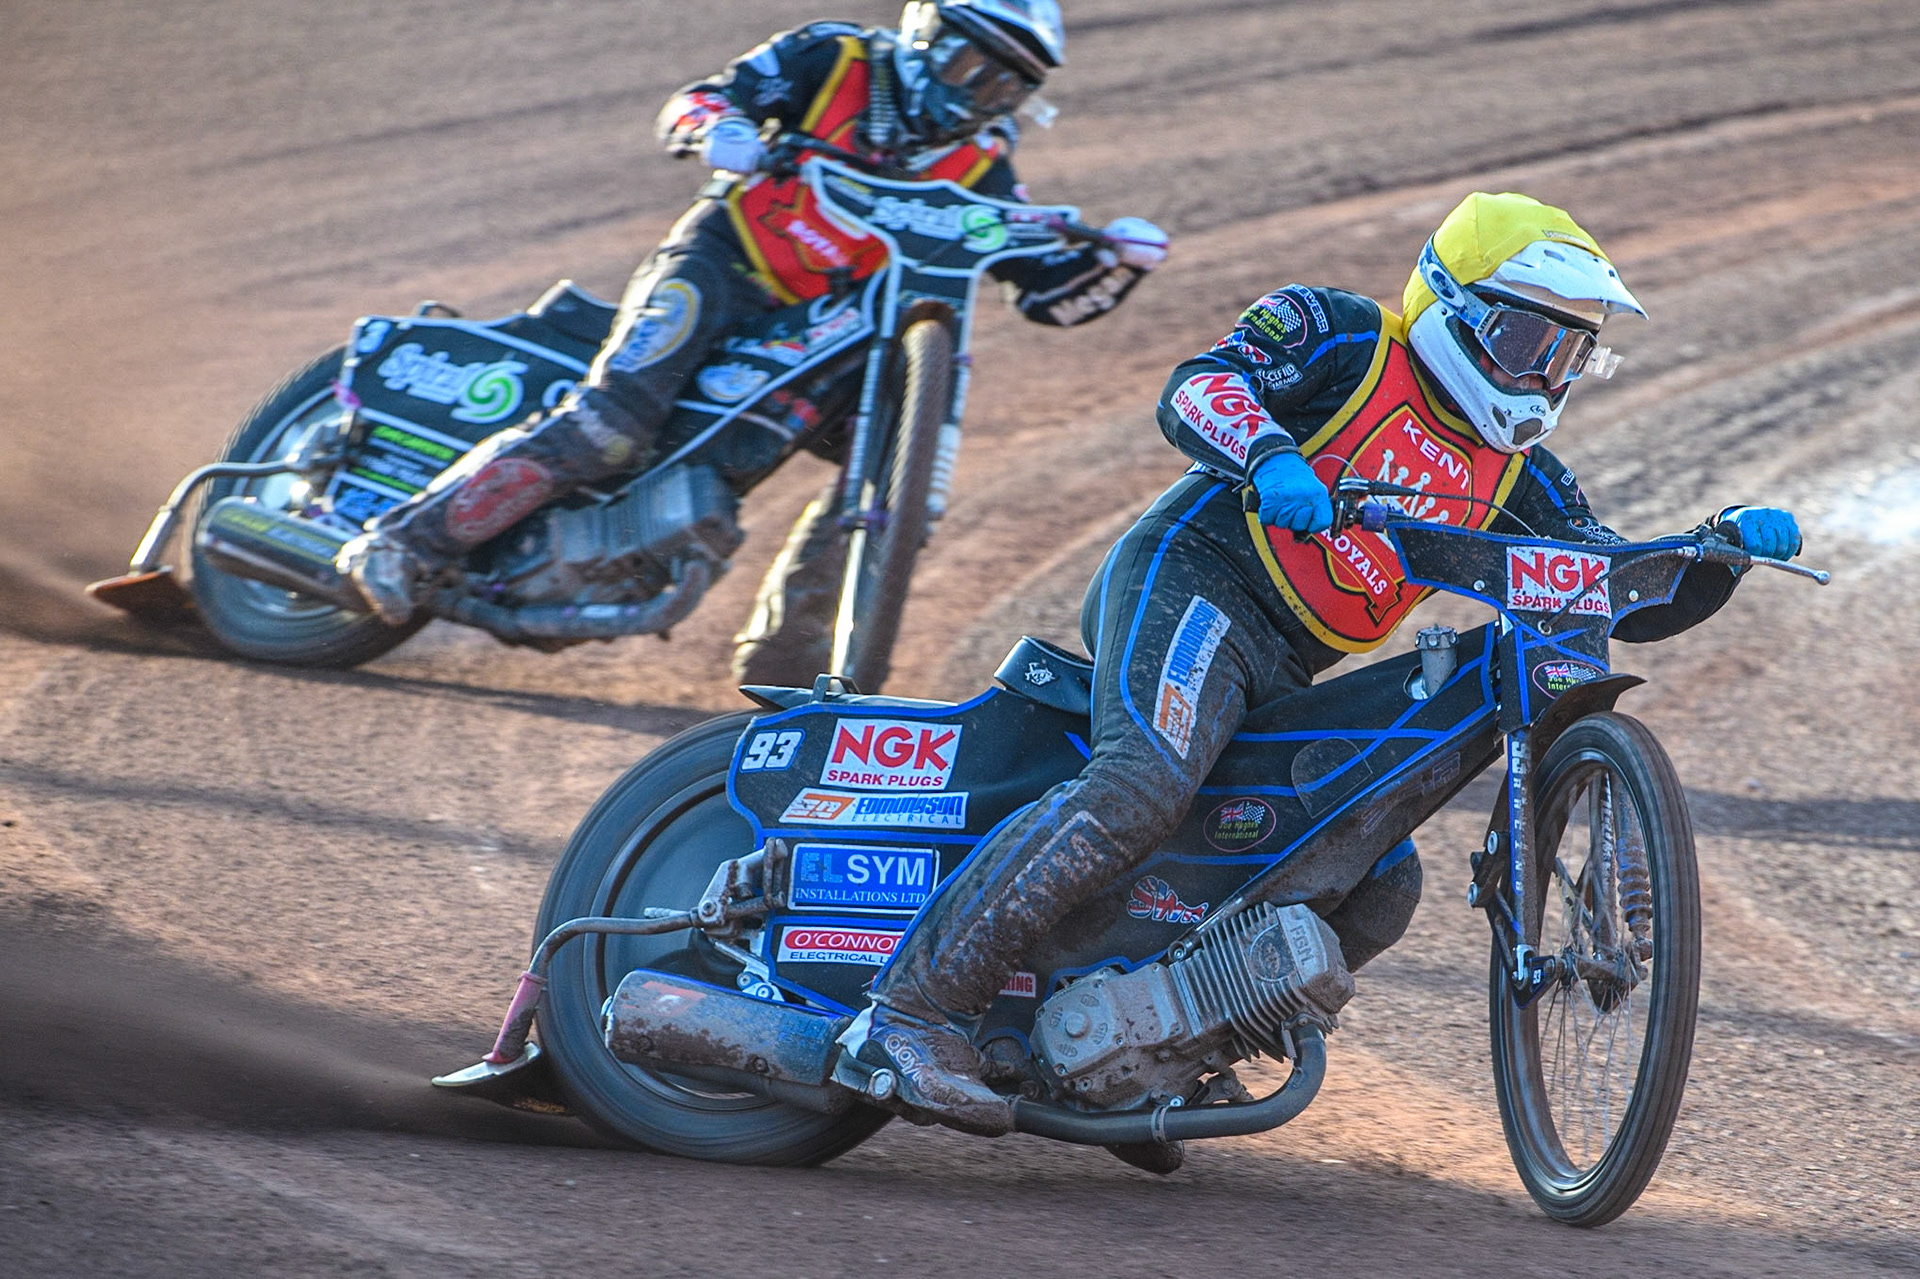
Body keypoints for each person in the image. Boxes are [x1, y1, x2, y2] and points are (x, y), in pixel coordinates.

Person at [851, 190, 1803, 1138]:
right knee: (1143, 783)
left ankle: (1160, 1052)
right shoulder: (1344, 338)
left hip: (1284, 663)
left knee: (1382, 878)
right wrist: (1270, 457)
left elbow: (1605, 587)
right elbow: (1197, 385)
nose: (1542, 375)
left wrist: (1710, 553)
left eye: (1566, 356)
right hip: (1196, 576)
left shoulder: (1525, 479)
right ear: (1453, 310)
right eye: (1526, 344)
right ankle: (909, 1013)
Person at [336, 0, 1169, 684]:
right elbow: (701, 98)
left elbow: (1039, 289)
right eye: (968, 66)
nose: (979, 93)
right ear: (925, 36)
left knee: (885, 477)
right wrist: (717, 132)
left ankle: (795, 664)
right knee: (612, 421)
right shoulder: (835, 56)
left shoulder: (983, 159)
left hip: (826, 325)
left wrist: (1115, 260)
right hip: (725, 263)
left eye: (1006, 86)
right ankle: (403, 541)